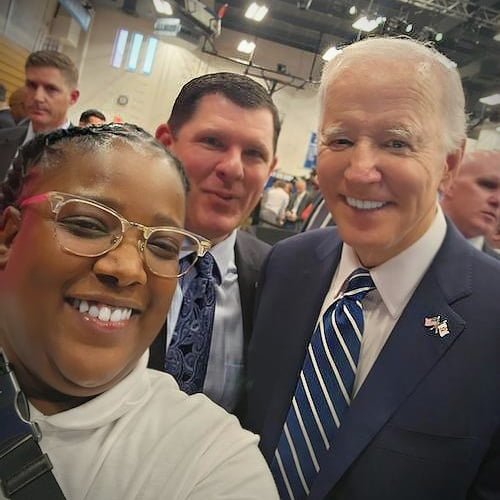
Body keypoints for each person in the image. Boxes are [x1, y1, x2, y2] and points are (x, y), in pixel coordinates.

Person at [244, 37, 500, 500]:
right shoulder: (287, 267)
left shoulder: (493, 316)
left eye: (397, 143)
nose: (360, 171)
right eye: (340, 140)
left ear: (449, 164)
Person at [0, 124, 279, 500]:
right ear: (9, 237)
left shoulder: (209, 458)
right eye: (87, 225)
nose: (129, 268)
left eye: (164, 246)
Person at [151, 72, 279, 415]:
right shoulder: (104, 250)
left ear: (271, 170)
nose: (233, 168)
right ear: (166, 143)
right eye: (212, 141)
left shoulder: (277, 277)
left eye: (254, 153)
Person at [0, 50, 79, 179]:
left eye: (51, 89)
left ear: (73, 97)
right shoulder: (2, 139)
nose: (38, 97)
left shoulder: (84, 158)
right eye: (32, 86)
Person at [441, 149, 500, 258]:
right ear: (449, 182)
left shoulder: (496, 272)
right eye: (488, 185)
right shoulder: (403, 239)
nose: (497, 200)